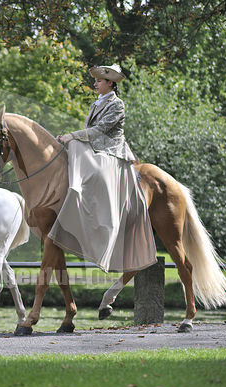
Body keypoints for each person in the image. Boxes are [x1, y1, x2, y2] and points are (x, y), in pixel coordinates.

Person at [49, 64, 157, 272]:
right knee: (71, 148)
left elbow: (100, 130)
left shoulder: (118, 105)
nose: (95, 83)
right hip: (95, 148)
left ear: (110, 83)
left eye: (99, 80)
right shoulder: (96, 104)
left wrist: (72, 136)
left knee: (84, 157)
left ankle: (98, 215)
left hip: (112, 152)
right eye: (96, 80)